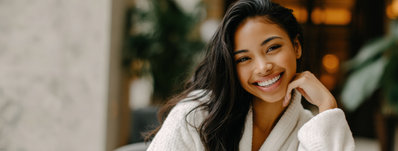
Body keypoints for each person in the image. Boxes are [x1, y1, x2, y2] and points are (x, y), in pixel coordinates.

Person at [145, 0, 355, 150]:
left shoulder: (308, 129)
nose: (263, 67)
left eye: (272, 48)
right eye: (244, 59)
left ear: (296, 46)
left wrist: (328, 106)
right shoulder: (195, 117)